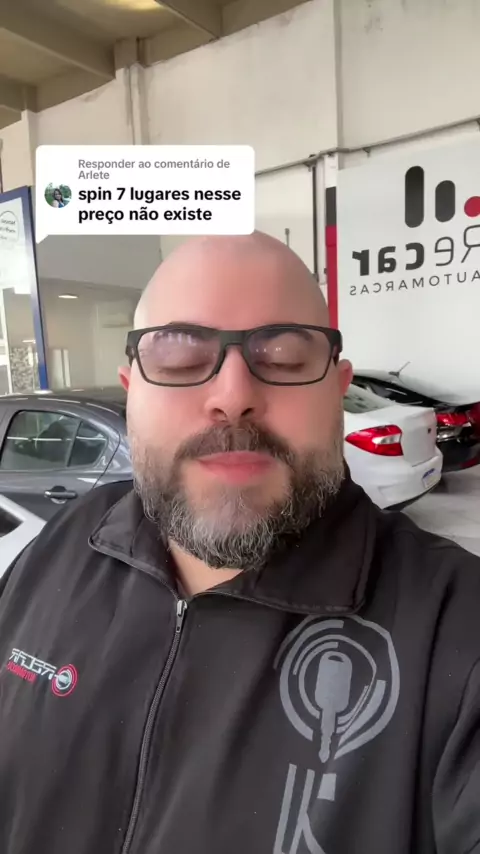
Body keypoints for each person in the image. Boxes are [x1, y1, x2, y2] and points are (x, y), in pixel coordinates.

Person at [0, 232, 479, 854]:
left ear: (337, 389)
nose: (233, 398)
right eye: (178, 357)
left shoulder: (457, 628)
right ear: (131, 389)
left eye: (284, 358)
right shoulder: (63, 544)